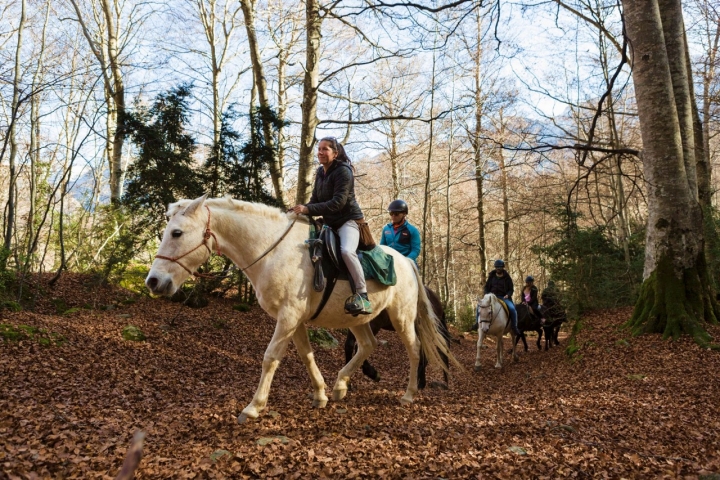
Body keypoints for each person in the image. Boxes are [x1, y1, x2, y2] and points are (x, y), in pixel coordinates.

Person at [291, 137, 371, 315]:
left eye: (325, 149)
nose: (320, 152)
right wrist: (300, 211)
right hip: (328, 224)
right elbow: (314, 201)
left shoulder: (344, 171)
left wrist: (307, 208)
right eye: (319, 149)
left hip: (348, 221)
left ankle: (363, 295)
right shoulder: (320, 172)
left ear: (335, 153)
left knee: (346, 251)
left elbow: (338, 203)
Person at [482, 259, 520, 336]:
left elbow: (511, 289)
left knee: (512, 309)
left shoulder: (507, 278)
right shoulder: (491, 276)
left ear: (503, 267)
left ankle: (514, 327)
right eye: (497, 267)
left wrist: (508, 295)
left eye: (500, 267)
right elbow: (486, 287)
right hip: (491, 296)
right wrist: (486, 294)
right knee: (480, 306)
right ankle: (477, 323)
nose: (498, 269)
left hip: (503, 297)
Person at [379, 199, 421, 264]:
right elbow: (382, 247)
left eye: (396, 214)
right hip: (389, 262)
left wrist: (407, 260)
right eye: (391, 213)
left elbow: (416, 250)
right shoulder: (386, 229)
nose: (393, 216)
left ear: (404, 214)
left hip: (406, 261)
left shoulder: (413, 230)